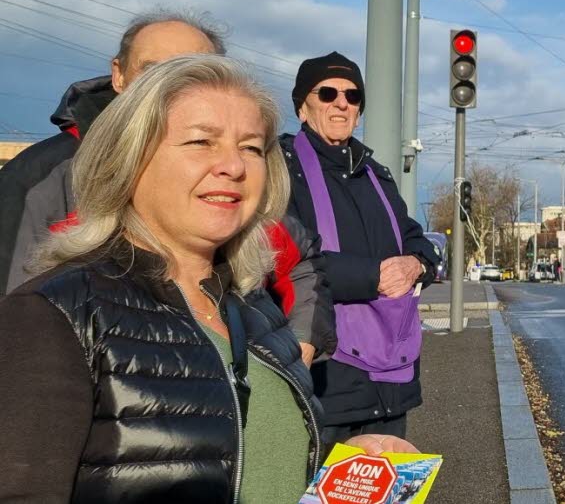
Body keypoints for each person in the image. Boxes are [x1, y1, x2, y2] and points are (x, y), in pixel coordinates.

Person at [0, 55, 416, 503]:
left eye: (252, 147)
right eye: (202, 141)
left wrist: (339, 465)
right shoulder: (54, 315)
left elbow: (244, 454)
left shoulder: (255, 308)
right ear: (130, 156)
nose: (233, 166)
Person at [0, 10, 326, 363]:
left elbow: (301, 261)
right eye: (154, 70)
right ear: (119, 75)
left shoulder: (239, 186)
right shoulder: (40, 176)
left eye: (193, 70)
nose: (173, 85)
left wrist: (298, 349)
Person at [281, 51, 438, 446]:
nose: (341, 103)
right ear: (303, 106)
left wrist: (417, 264)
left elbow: (418, 238)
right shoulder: (281, 170)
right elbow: (285, 259)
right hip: (326, 379)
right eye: (328, 92)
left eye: (352, 96)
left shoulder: (377, 176)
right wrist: (374, 277)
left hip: (389, 381)